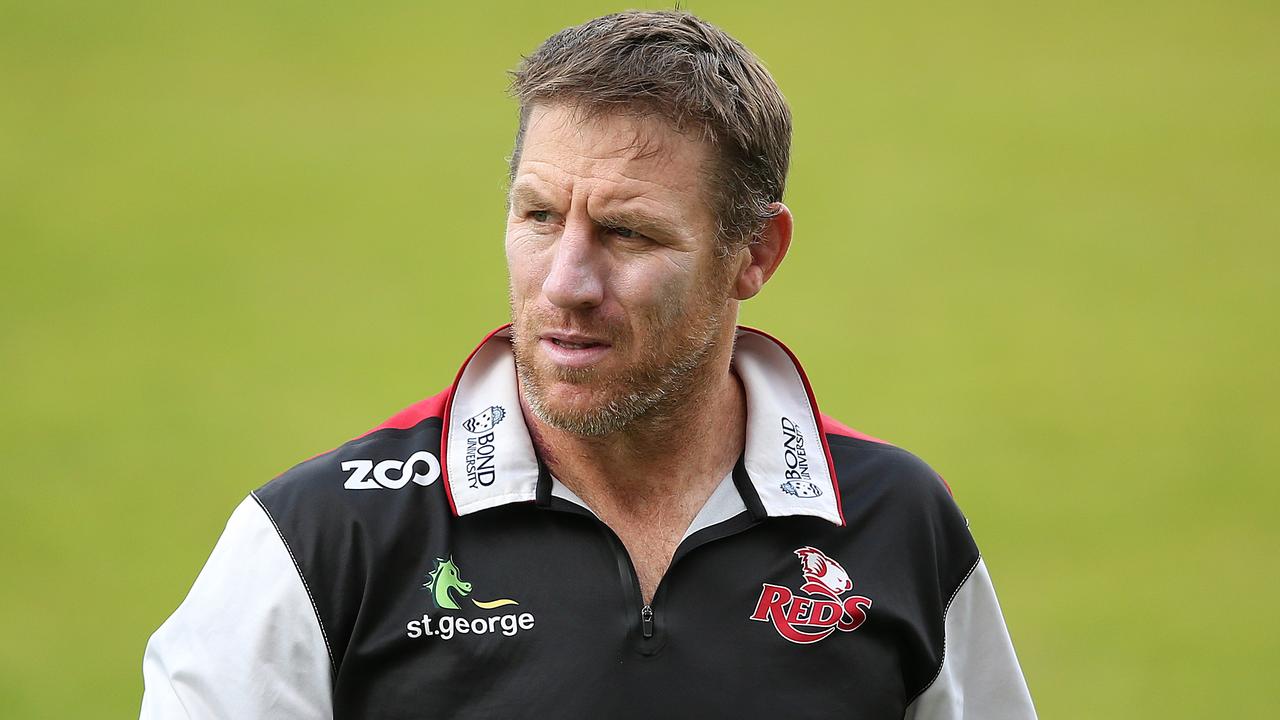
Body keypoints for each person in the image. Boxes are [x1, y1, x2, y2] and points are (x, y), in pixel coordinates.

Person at [141, 10, 1036, 719]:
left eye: (627, 232)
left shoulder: (896, 526)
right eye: (538, 217)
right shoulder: (320, 545)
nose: (565, 282)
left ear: (755, 254)